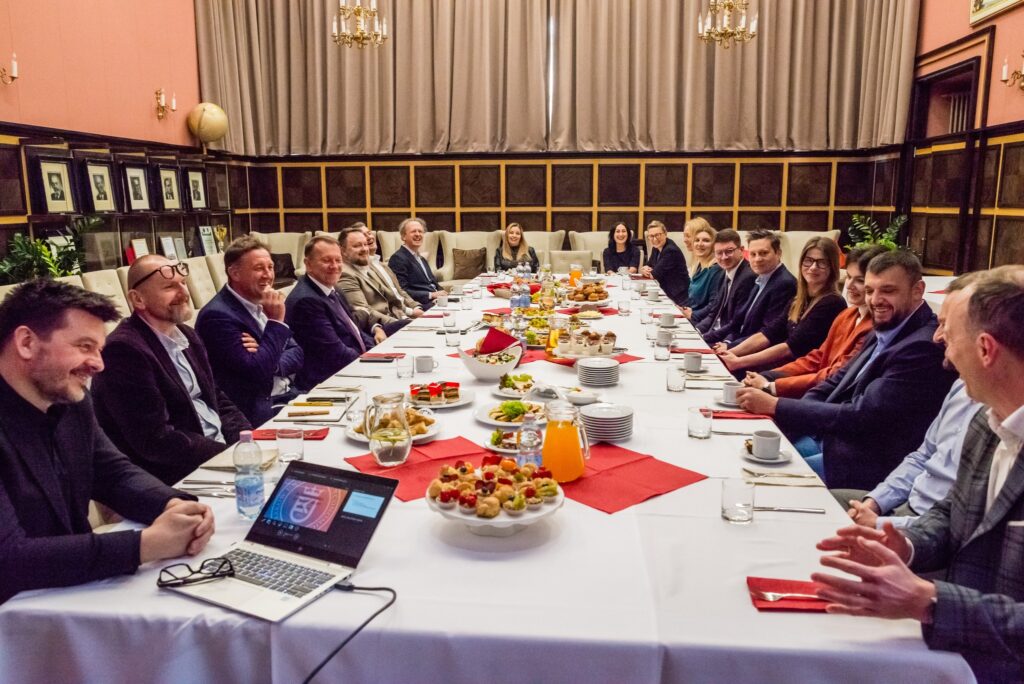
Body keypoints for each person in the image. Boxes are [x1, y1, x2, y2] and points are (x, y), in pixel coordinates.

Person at [812, 269, 1024, 683]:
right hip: (957, 644)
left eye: (951, 335)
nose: (939, 344)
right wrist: (906, 543)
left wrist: (931, 602)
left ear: (986, 349)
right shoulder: (987, 421)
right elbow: (953, 511)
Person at [0, 279, 215, 605]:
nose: (98, 364)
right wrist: (145, 545)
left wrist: (173, 505)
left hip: (67, 595)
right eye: (84, 346)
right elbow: (8, 559)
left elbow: (113, 473)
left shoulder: (71, 401)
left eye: (98, 349)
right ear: (27, 342)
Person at [737, 250, 956, 489]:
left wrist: (776, 405)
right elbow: (835, 381)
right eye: (870, 290)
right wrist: (793, 416)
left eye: (888, 290)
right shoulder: (888, 325)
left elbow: (862, 415)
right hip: (833, 440)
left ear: (917, 290)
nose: (875, 300)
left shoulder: (922, 347)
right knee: (745, 456)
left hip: (865, 462)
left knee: (761, 479)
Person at [831, 274, 984, 529]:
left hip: (923, 527)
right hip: (905, 504)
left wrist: (882, 524)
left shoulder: (1003, 417)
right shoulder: (960, 386)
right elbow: (922, 456)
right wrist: (875, 502)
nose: (937, 337)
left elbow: (958, 522)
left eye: (947, 327)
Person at [92, 255, 251, 485]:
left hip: (218, 456)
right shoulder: (123, 350)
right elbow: (156, 441)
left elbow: (216, 398)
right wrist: (228, 456)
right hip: (174, 476)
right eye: (169, 286)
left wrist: (247, 441)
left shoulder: (187, 335)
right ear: (138, 299)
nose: (184, 292)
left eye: (183, 283)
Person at [742, 245, 882, 399]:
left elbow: (835, 374)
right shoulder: (847, 315)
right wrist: (770, 375)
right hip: (812, 383)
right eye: (849, 277)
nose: (849, 285)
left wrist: (771, 386)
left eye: (860, 280)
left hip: (828, 395)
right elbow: (817, 357)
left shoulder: (869, 325)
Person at [195, 236, 304, 425]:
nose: (268, 275)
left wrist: (269, 358)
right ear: (235, 273)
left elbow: (298, 352)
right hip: (261, 412)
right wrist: (275, 322)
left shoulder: (263, 303)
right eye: (259, 268)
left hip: (289, 395)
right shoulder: (217, 316)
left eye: (270, 267)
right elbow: (258, 371)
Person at [718, 237, 846, 374]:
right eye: (808, 261)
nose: (813, 267)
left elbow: (790, 348)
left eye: (822, 263)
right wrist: (730, 353)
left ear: (832, 267)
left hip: (802, 371)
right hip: (786, 365)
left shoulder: (832, 303)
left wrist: (739, 362)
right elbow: (769, 333)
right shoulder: (799, 300)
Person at [286, 235, 379, 390]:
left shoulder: (332, 288)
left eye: (338, 260)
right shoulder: (306, 301)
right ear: (308, 264)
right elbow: (335, 353)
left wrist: (377, 353)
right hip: (328, 382)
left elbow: (355, 331)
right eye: (327, 260)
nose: (334, 266)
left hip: (350, 368)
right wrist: (371, 363)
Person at [704, 230, 796, 349]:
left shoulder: (784, 284)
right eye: (753, 254)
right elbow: (737, 322)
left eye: (763, 253)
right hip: (738, 344)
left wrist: (730, 346)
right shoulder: (761, 278)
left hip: (755, 353)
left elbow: (767, 334)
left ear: (778, 253)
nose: (757, 259)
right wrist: (704, 338)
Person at [336, 226, 415, 335]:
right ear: (342, 250)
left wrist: (404, 316)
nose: (364, 249)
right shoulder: (345, 274)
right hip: (380, 328)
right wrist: (399, 323)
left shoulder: (368, 268)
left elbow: (391, 299)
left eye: (365, 244)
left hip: (396, 319)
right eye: (357, 246)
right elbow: (364, 311)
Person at [688, 229, 756, 334]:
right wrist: (697, 331)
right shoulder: (724, 273)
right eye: (719, 253)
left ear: (741, 250)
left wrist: (706, 337)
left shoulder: (748, 277)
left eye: (729, 251)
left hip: (725, 336)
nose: (724, 257)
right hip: (714, 331)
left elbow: (736, 323)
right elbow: (713, 313)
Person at [360, 223, 424, 318]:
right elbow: (386, 300)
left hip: (409, 310)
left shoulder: (382, 265)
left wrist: (416, 306)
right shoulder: (364, 269)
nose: (369, 237)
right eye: (363, 235)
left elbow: (400, 291)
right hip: (397, 315)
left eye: (369, 233)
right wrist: (411, 312)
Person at [387, 218, 446, 308]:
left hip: (437, 301)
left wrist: (445, 294)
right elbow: (402, 290)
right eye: (413, 231)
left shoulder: (421, 258)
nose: (418, 234)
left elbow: (433, 283)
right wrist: (431, 295)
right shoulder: (398, 258)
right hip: (421, 305)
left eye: (420, 231)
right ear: (403, 237)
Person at [678, 219, 723, 322]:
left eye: (688, 236)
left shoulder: (716, 269)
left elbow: (714, 305)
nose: (700, 243)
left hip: (701, 322)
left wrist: (693, 315)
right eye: (697, 240)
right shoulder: (699, 265)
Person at [640, 220, 690, 306]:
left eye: (658, 235)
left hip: (679, 297)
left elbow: (653, 275)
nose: (655, 239)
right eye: (651, 236)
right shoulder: (656, 247)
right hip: (665, 292)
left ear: (665, 234)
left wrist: (647, 271)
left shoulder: (670, 250)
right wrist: (643, 269)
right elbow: (648, 265)